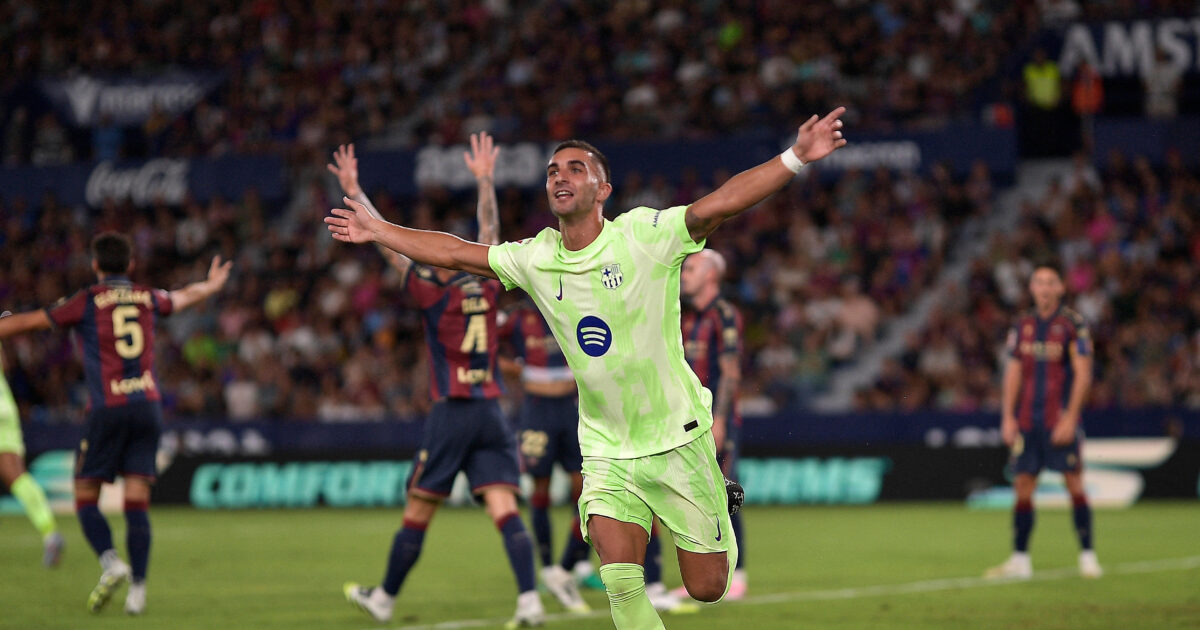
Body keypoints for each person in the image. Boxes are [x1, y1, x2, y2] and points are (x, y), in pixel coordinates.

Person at [326, 108, 847, 629]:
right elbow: (457, 253)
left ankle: (713, 499)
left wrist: (796, 156)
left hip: (676, 436)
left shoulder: (643, 236)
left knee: (707, 587)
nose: (560, 176)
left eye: (576, 168)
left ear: (603, 190)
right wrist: (380, 229)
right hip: (605, 448)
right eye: (553, 170)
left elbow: (720, 204)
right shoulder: (537, 257)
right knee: (621, 581)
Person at [328, 136, 572, 627]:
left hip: (453, 409)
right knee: (504, 508)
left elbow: (387, 243)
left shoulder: (428, 288)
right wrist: (485, 180)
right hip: (491, 410)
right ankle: (528, 600)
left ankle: (384, 599)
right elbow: (490, 231)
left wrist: (356, 192)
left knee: (418, 510)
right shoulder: (486, 282)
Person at [0, 233, 232, 614]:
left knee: (85, 495)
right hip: (148, 406)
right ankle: (138, 590)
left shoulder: (88, 300)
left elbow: (33, 321)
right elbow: (183, 297)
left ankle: (111, 561)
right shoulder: (146, 296)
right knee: (136, 500)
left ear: (95, 265)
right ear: (131, 265)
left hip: (108, 407)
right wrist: (212, 285)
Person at [985, 262, 1101, 580]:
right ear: (1032, 288)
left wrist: (1071, 417)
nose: (1045, 288)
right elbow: (1013, 372)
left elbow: (1083, 374)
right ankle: (1020, 560)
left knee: (1073, 482)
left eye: (1051, 282)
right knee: (1023, 486)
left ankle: (1088, 556)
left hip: (1058, 418)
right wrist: (1008, 417)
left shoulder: (1073, 324)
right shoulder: (1022, 325)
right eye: (1039, 282)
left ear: (1061, 288)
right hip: (1027, 420)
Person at [497, 296, 596, 606]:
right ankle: (549, 567)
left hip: (571, 407)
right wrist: (516, 369)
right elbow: (484, 347)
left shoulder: (572, 305)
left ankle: (573, 565)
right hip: (536, 409)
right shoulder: (516, 318)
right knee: (540, 489)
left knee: (585, 489)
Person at [668, 249, 747, 601]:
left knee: (724, 493)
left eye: (692, 268)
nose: (684, 274)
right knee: (694, 498)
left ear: (711, 275)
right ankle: (705, 574)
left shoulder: (724, 314)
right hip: (685, 421)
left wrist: (721, 419)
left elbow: (731, 372)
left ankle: (738, 575)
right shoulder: (684, 316)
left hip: (714, 420)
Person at [0, 334, 65, 567]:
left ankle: (51, 533)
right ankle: (49, 531)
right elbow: (4, 363)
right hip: (4, 406)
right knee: (17, 477)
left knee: (15, 476)